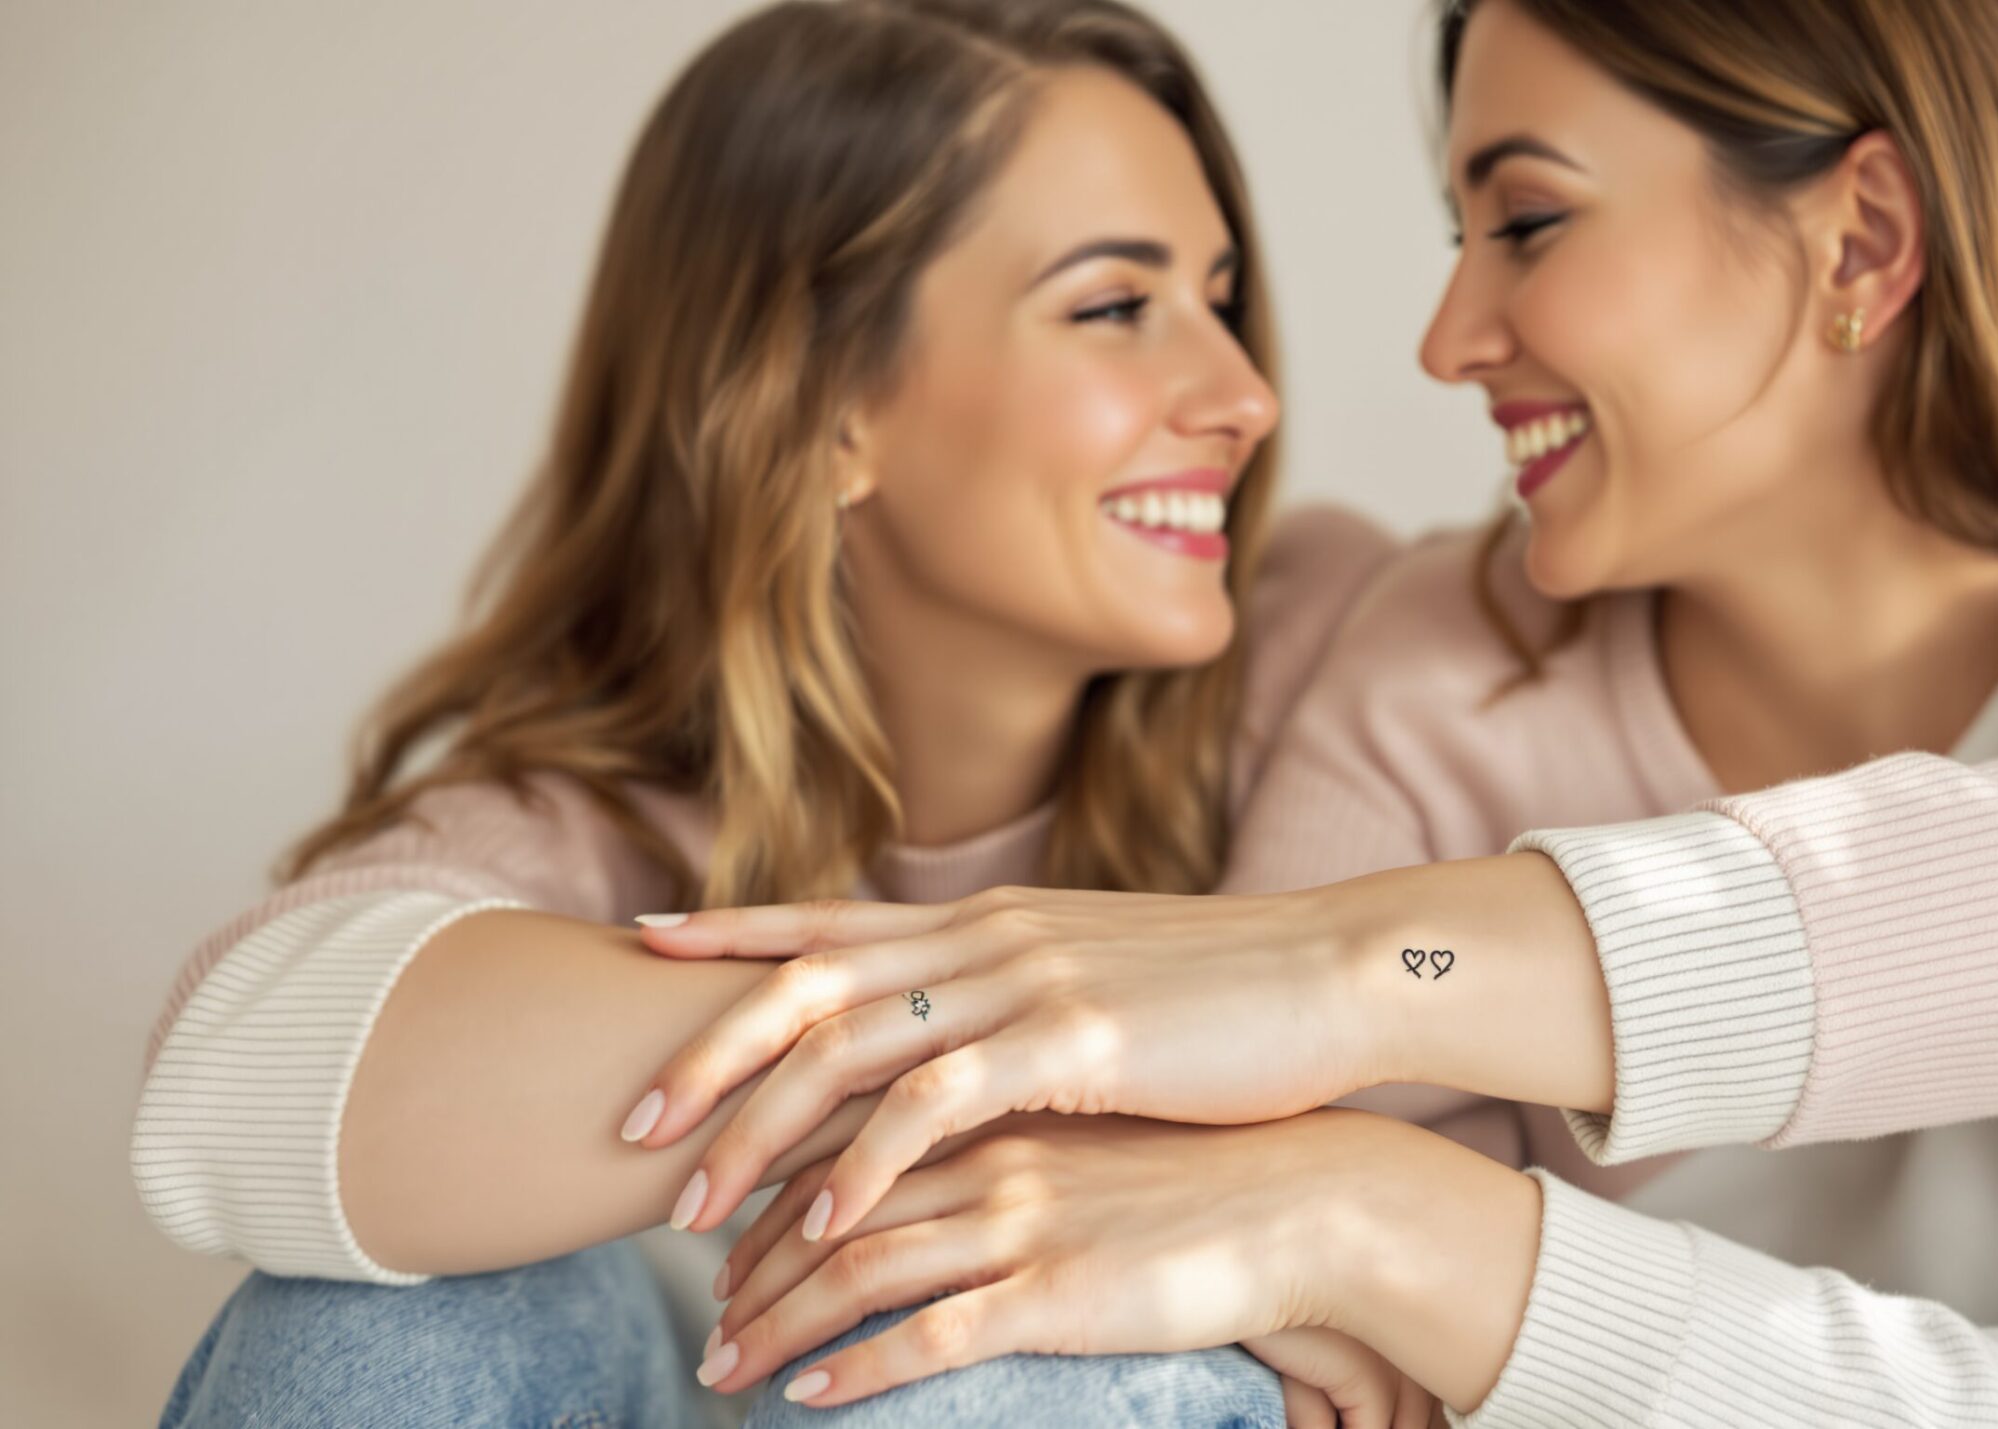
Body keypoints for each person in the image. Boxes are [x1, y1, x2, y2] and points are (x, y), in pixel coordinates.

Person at [629, 0, 1998, 1422]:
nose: (1447, 339)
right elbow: (1268, 1345)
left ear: (1861, 243)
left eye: (1525, 224)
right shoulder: (1441, 674)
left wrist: (1377, 1143)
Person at [136, 2, 1420, 1423]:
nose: (1242, 393)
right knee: (378, 1327)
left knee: (1001, 1351)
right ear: (829, 408)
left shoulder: (1336, 640)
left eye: (1220, 299)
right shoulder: (616, 797)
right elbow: (233, 1082)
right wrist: (989, 1036)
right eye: (1116, 305)